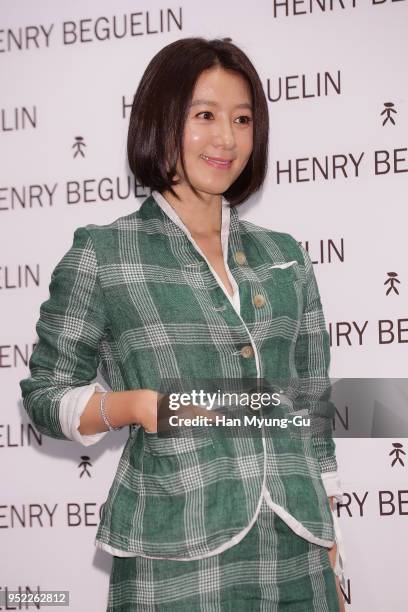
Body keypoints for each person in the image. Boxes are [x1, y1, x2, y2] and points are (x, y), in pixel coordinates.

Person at [20, 37, 345, 611]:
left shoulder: (285, 256)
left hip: (297, 550)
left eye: (242, 119)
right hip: (176, 548)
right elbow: (46, 394)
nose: (227, 138)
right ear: (161, 119)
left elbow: (309, 403)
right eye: (205, 116)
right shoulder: (105, 253)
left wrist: (331, 551)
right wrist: (139, 405)